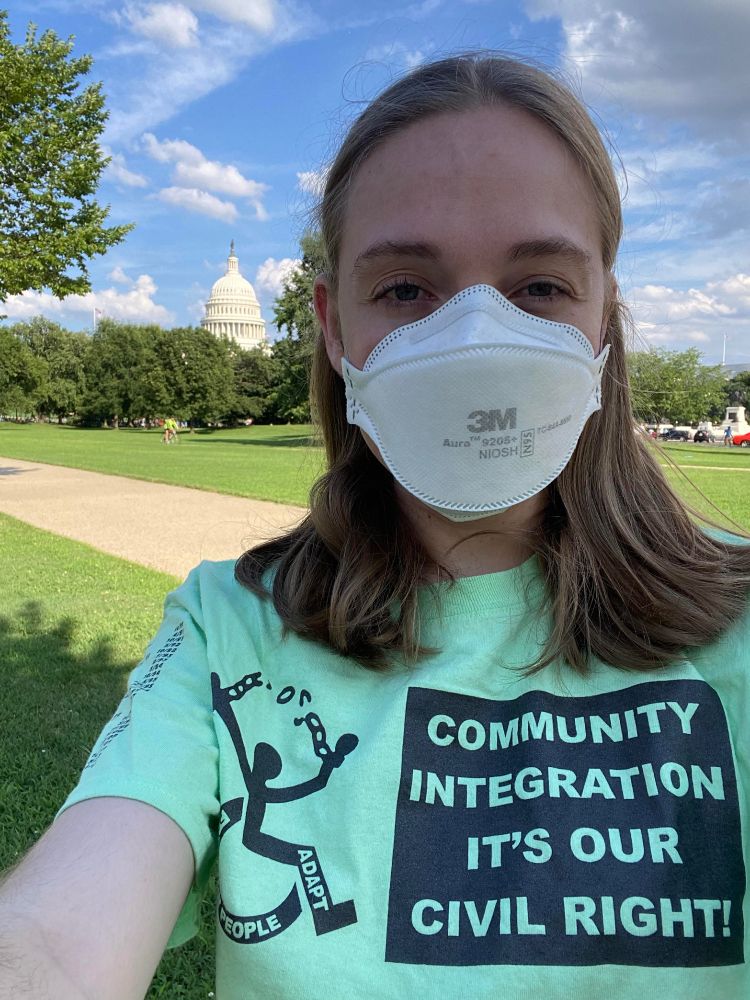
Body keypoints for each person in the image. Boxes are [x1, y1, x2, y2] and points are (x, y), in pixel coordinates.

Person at [2, 53, 750, 1000]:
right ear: (331, 324)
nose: (475, 337)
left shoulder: (738, 625)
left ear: (604, 312)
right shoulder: (229, 632)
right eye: (405, 290)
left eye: (538, 288)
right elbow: (53, 944)